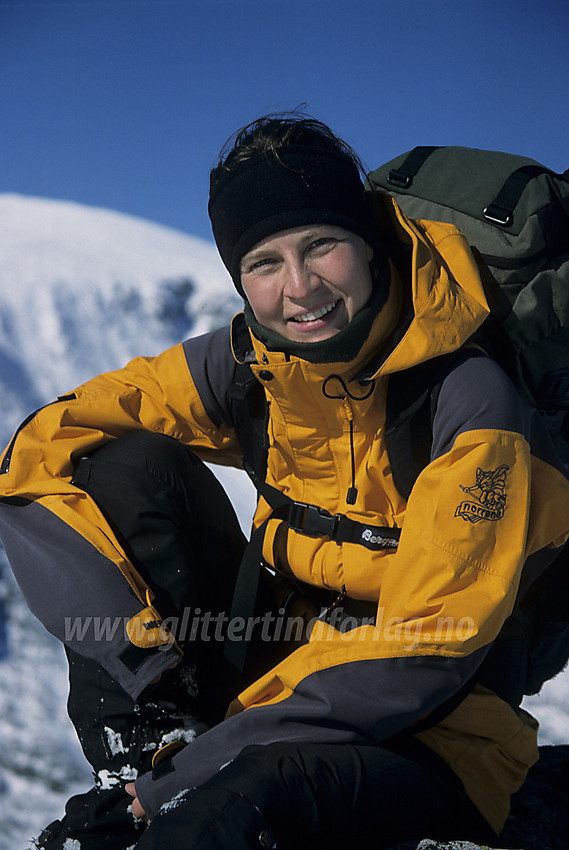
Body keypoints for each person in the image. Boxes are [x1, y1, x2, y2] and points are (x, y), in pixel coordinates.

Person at [1, 112, 569, 850]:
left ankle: (170, 781)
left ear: (368, 244)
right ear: (238, 278)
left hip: (434, 727)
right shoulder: (249, 362)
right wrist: (142, 686)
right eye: (263, 263)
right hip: (278, 655)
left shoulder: (471, 399)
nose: (299, 288)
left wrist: (185, 778)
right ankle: (146, 748)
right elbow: (47, 441)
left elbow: (427, 653)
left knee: (232, 815)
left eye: (320, 245)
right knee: (118, 462)